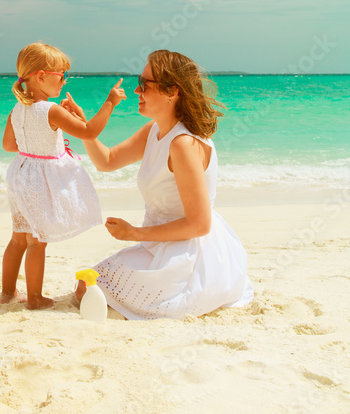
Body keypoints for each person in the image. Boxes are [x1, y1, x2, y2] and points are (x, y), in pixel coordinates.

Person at [67, 50, 253, 320]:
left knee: (91, 289)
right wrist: (82, 125)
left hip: (190, 253)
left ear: (172, 91)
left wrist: (135, 233)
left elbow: (200, 225)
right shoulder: (155, 130)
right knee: (87, 286)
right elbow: (106, 160)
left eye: (144, 84)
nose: (136, 90)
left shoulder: (183, 144)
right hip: (158, 243)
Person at [0, 42, 126, 310]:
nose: (64, 81)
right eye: (61, 75)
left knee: (18, 237)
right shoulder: (51, 110)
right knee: (37, 241)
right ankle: (34, 298)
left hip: (19, 175)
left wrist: (35, 143)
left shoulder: (17, 109)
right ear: (41, 76)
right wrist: (110, 102)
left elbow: (9, 146)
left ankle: (7, 293)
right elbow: (90, 132)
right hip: (38, 181)